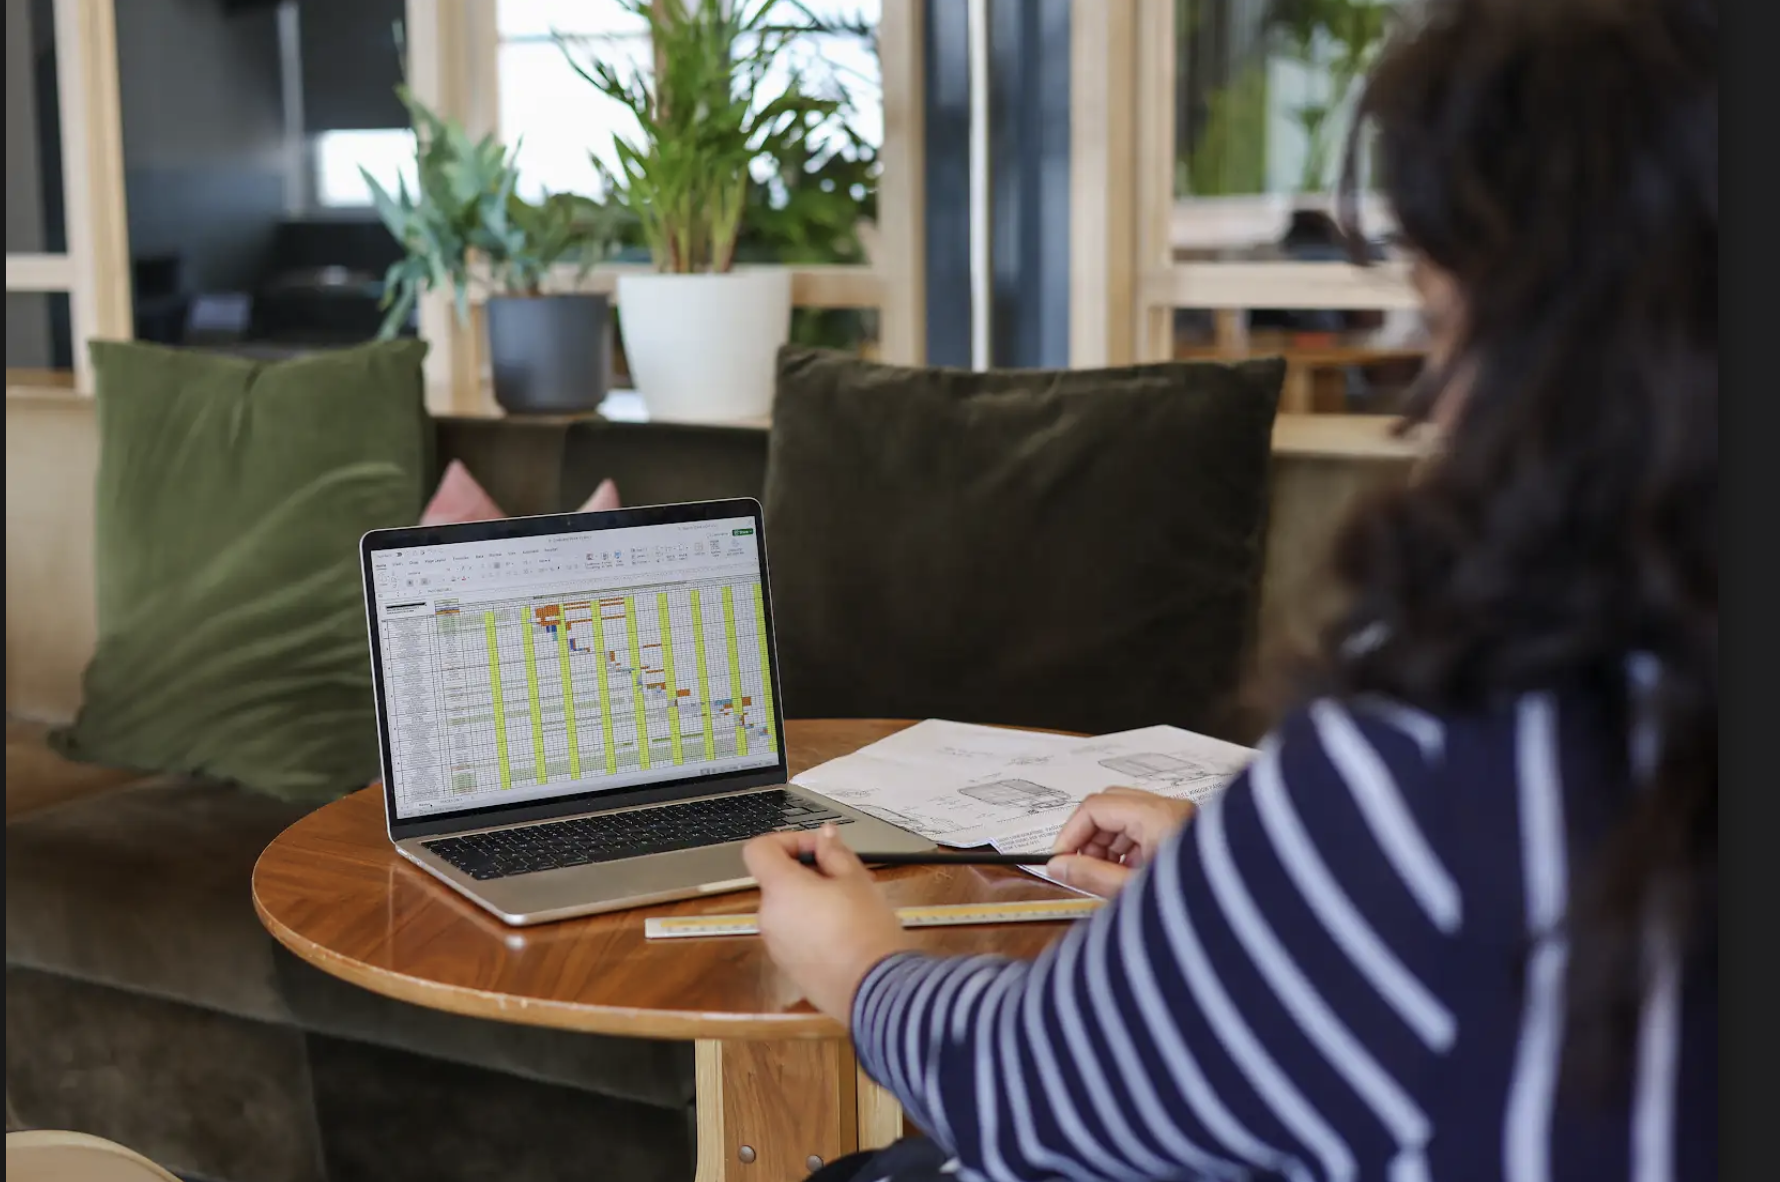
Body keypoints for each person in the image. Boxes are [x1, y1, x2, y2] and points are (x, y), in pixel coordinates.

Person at [742, 0, 1718, 1178]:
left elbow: (1042, 1087)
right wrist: (1252, 881)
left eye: (1449, 323)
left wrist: (861, 964)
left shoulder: (1436, 772)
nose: (1434, 405)